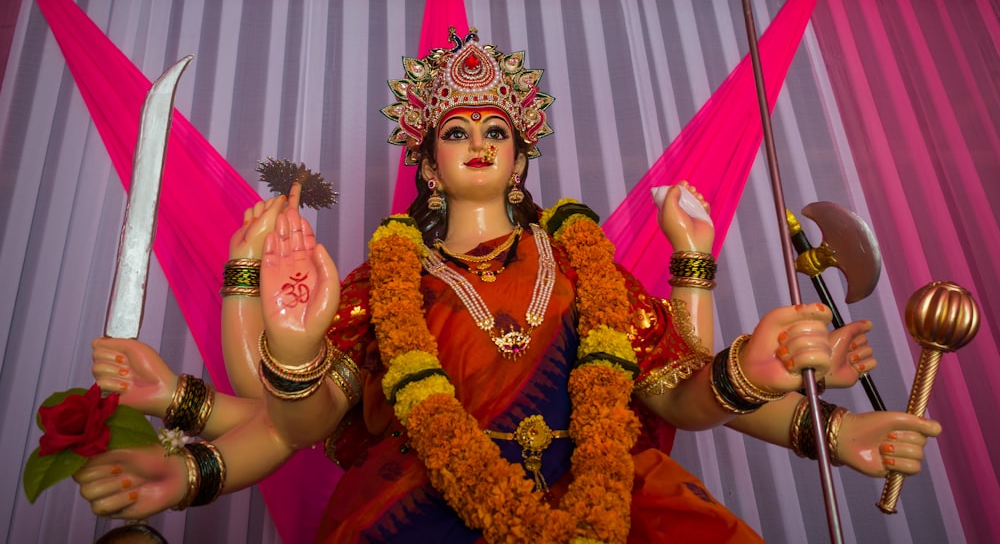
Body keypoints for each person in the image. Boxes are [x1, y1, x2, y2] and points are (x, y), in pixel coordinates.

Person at [75, 28, 940, 543]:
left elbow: (673, 391)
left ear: (524, 152)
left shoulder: (584, 264)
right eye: (457, 129)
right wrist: (249, 403)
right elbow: (299, 426)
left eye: (497, 128)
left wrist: (828, 422)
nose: (480, 141)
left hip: (613, 503)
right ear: (428, 159)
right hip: (424, 509)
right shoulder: (389, 279)